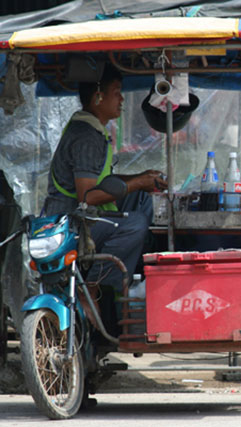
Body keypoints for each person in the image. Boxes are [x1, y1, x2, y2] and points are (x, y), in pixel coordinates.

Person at [43, 63, 167, 331]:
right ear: (98, 96)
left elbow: (104, 182)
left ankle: (129, 276)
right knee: (135, 224)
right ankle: (95, 287)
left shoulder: (93, 130)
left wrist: (141, 180)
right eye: (116, 92)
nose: (122, 99)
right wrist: (137, 182)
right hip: (70, 224)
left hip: (82, 215)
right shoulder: (87, 136)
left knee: (141, 199)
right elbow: (88, 196)